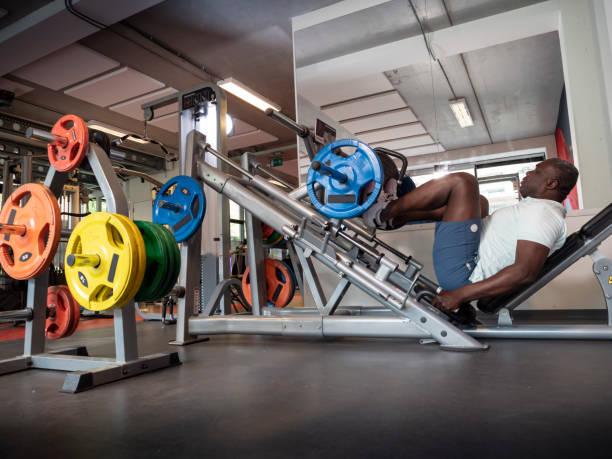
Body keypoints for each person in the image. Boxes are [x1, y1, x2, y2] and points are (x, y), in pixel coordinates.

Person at [363, 158, 579, 313]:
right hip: (468, 262)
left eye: (536, 172)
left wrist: (460, 294)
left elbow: (524, 272)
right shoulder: (538, 209)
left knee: (463, 182)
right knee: (480, 202)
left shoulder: (544, 214)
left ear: (551, 184)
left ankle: (385, 212)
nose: (528, 174)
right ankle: (395, 216)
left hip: (465, 274)